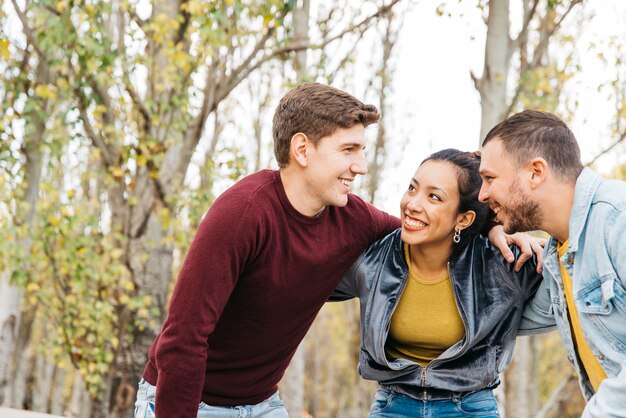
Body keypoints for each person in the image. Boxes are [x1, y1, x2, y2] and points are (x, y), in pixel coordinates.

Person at [134, 83, 539, 418]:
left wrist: (492, 227)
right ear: (303, 149)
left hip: (261, 405)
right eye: (349, 150)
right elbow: (184, 338)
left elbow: (423, 228)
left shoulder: (351, 217)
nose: (360, 166)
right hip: (187, 402)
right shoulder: (243, 214)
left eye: (361, 151)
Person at [332, 149, 546, 417]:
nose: (412, 204)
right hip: (392, 406)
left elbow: (572, 274)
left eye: (434, 197)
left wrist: (501, 227)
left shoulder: (499, 262)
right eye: (412, 188)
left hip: (470, 408)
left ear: (464, 219)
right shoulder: (373, 260)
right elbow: (304, 277)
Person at [478, 109, 626, 418]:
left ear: (536, 172)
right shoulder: (557, 258)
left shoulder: (617, 219)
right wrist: (483, 228)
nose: (482, 194)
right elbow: (491, 320)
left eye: (490, 178)